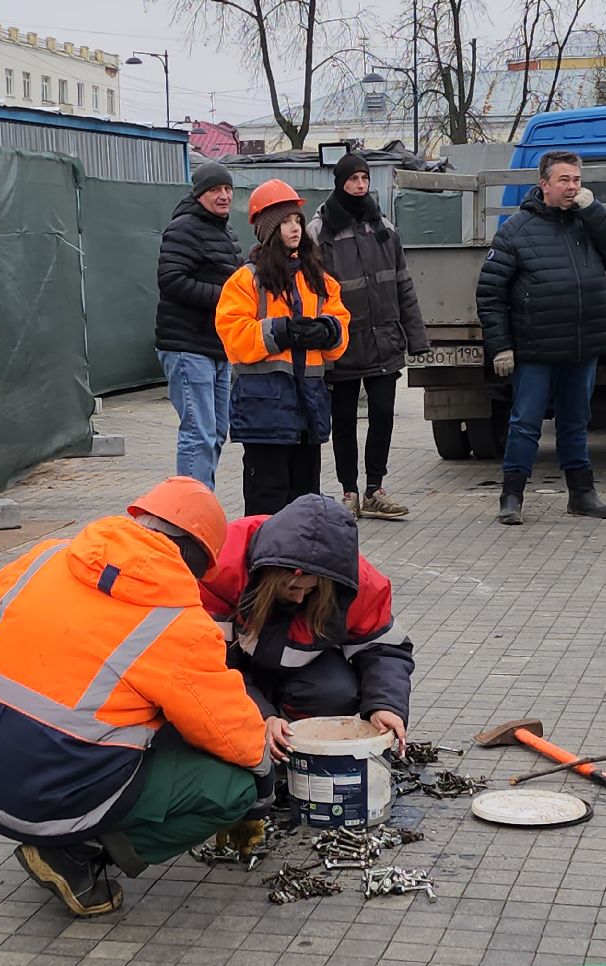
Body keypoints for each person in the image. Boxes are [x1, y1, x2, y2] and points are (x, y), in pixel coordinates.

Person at [0, 476, 272, 918]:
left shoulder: (45, 556)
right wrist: (261, 789)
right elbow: (231, 733)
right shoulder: (178, 623)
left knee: (152, 717)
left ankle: (61, 833)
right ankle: (75, 855)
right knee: (232, 788)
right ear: (194, 558)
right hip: (45, 792)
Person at [476, 150, 606, 526]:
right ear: (544, 184)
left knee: (575, 421)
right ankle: (512, 495)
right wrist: (501, 346)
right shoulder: (517, 229)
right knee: (526, 422)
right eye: (564, 180)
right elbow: (490, 292)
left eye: (577, 180)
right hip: (537, 347)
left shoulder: (588, 222)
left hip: (582, 345)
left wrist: (593, 210)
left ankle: (582, 494)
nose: (572, 187)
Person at [199, 493, 413, 760]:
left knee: (337, 692)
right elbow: (209, 665)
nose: (300, 598)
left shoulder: (359, 585)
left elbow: (383, 650)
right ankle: (259, 743)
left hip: (304, 674)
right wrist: (260, 716)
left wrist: (385, 705)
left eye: (311, 591)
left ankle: (293, 746)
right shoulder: (221, 563)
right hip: (237, 670)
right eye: (291, 588)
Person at [216, 180, 351, 517]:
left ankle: (297, 568)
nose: (296, 228)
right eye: (287, 222)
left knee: (305, 506)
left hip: (307, 411)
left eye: (298, 221)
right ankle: (265, 569)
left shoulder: (318, 279)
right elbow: (234, 337)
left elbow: (341, 326)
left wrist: (327, 330)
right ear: (269, 230)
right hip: (265, 414)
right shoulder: (246, 281)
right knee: (266, 506)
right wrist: (281, 331)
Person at [310, 152, 430, 522]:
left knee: (382, 415)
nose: (360, 185)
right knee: (343, 421)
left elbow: (402, 285)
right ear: (340, 182)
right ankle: (349, 491)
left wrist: (416, 337)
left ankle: (375, 489)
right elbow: (312, 291)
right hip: (342, 343)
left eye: (364, 179)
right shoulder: (320, 230)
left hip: (383, 341)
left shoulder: (384, 226)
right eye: (353, 179)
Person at [156, 162, 244, 487]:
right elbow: (171, 280)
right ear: (200, 194)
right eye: (215, 190)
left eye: (227, 189)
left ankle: (201, 503)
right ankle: (190, 517)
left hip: (218, 346)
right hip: (186, 346)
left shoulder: (225, 231)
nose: (223, 196)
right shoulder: (184, 228)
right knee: (198, 433)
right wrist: (226, 296)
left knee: (218, 431)